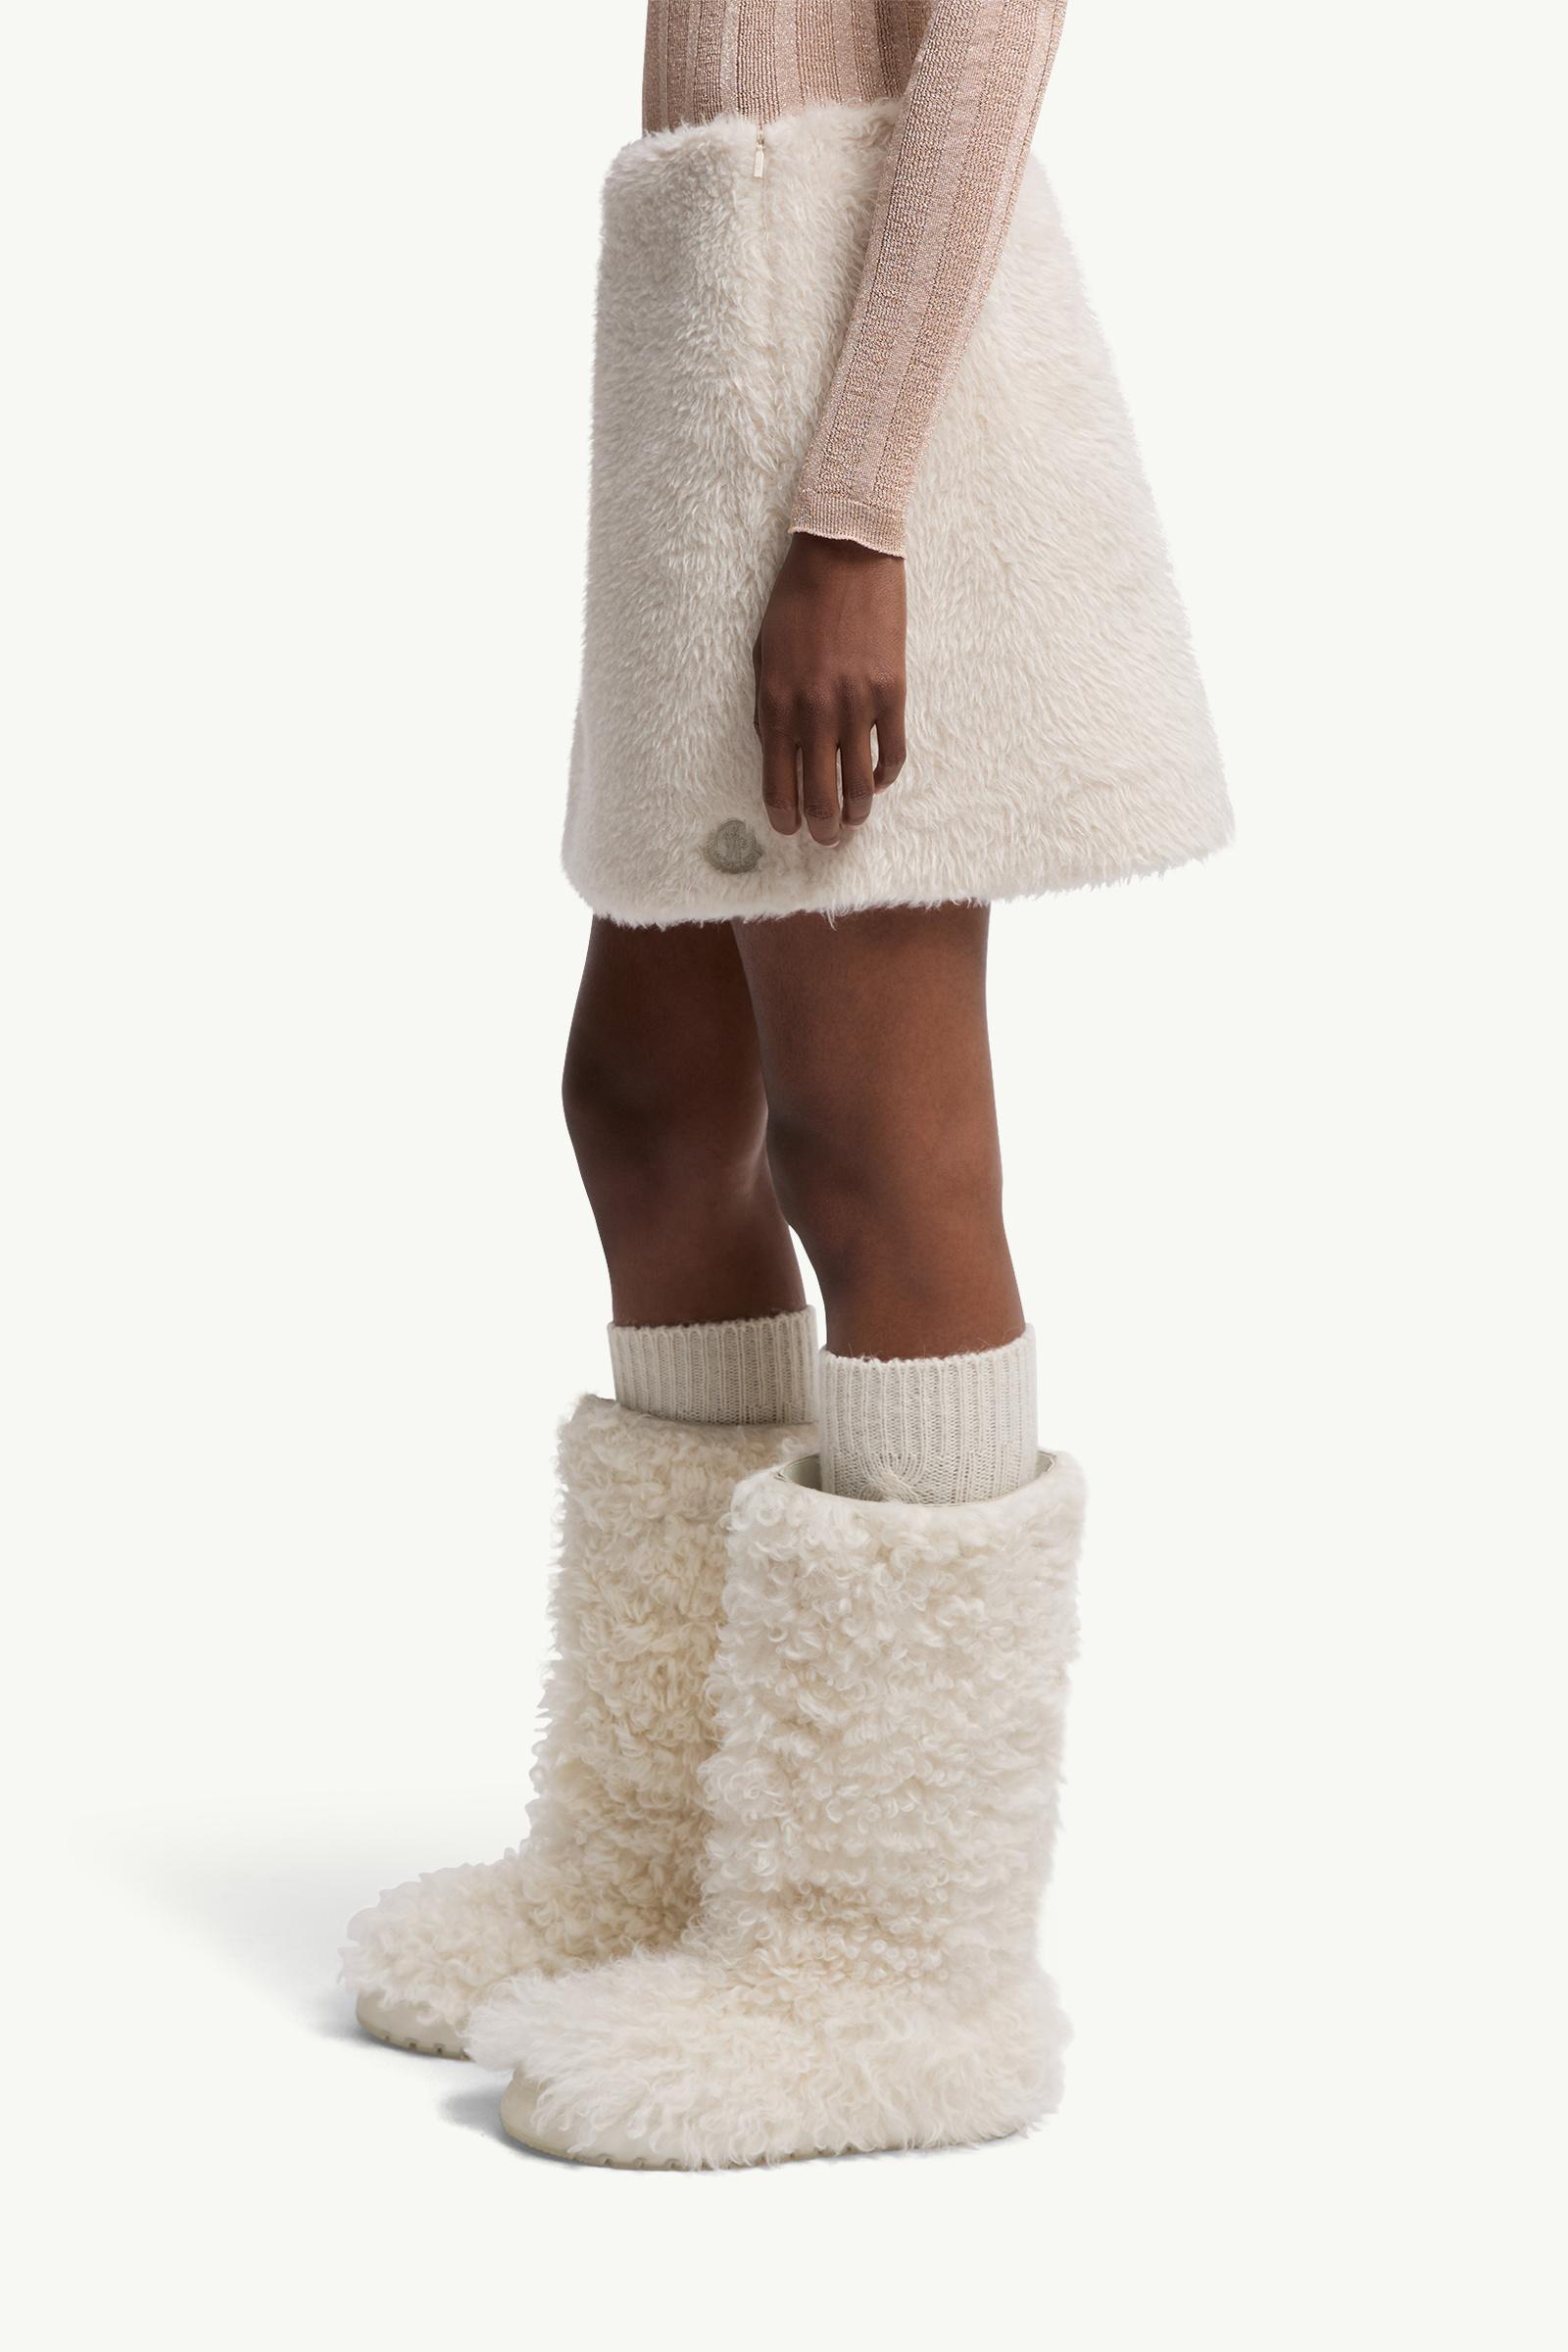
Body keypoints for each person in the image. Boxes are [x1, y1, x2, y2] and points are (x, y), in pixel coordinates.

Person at [345, 0, 1230, 2166]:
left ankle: (886, 1962)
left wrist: (852, 515)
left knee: (869, 1144)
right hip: (712, 384)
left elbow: (985, 53)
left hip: (851, 415)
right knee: (647, 1113)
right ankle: (658, 1854)